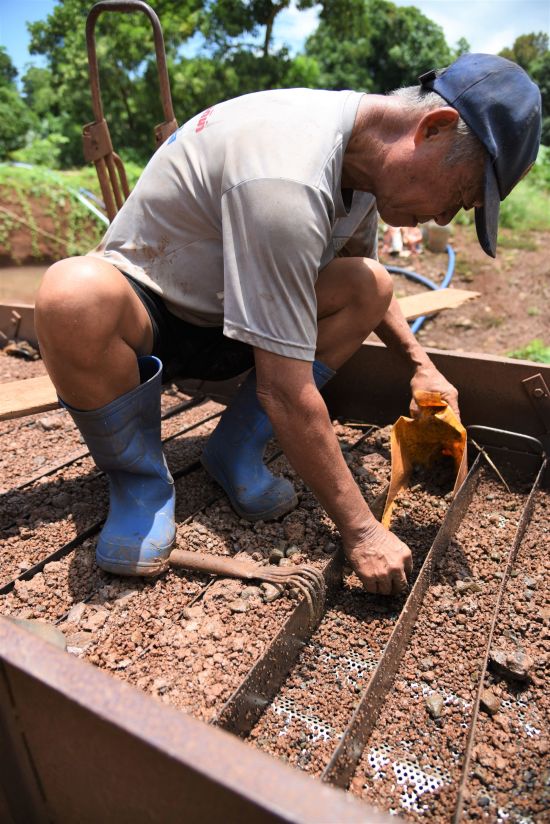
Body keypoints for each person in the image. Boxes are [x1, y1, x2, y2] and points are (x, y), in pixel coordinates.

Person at [34, 54, 541, 594]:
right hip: (153, 315)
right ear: (433, 129)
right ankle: (139, 484)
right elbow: (285, 390)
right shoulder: (288, 174)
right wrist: (363, 531)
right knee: (72, 295)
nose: (443, 218)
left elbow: (357, 269)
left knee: (371, 284)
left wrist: (421, 366)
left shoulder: (365, 164)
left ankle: (234, 449)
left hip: (236, 320)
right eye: (459, 197)